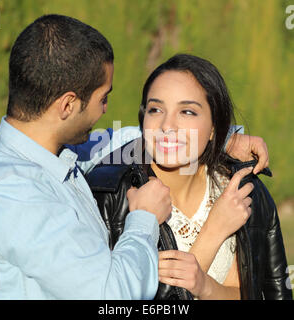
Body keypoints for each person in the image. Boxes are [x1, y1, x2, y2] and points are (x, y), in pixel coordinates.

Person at [0, 14, 269, 300]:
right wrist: (143, 218)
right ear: (67, 105)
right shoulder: (17, 194)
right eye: (103, 98)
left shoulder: (50, 152)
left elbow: (125, 139)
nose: (105, 111)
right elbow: (111, 295)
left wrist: (223, 137)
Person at [88, 54, 292, 300]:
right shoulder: (111, 198)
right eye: (156, 109)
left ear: (215, 127)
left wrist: (206, 287)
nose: (167, 126)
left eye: (187, 111)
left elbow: (262, 291)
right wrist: (214, 231)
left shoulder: (242, 190)